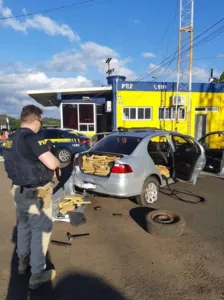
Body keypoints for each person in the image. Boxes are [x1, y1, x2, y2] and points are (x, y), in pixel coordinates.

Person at [2, 105, 61, 290]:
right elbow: (51, 163)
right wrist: (57, 161)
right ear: (36, 120)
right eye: (40, 123)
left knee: (24, 227)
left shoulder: (10, 139)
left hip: (18, 190)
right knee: (40, 232)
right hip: (36, 193)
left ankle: (22, 263)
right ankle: (37, 274)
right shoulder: (31, 137)